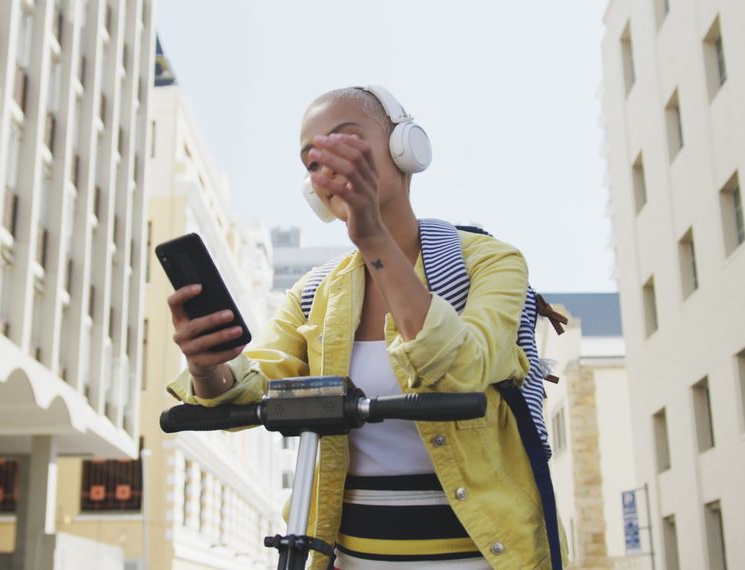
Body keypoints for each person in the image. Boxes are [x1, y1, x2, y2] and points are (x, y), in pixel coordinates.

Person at [166, 86, 562, 569]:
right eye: (312, 161)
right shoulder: (314, 294)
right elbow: (250, 388)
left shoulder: (492, 262)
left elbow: (465, 368)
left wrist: (372, 236)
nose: (328, 166)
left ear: (404, 147)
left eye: (347, 143)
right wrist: (207, 368)